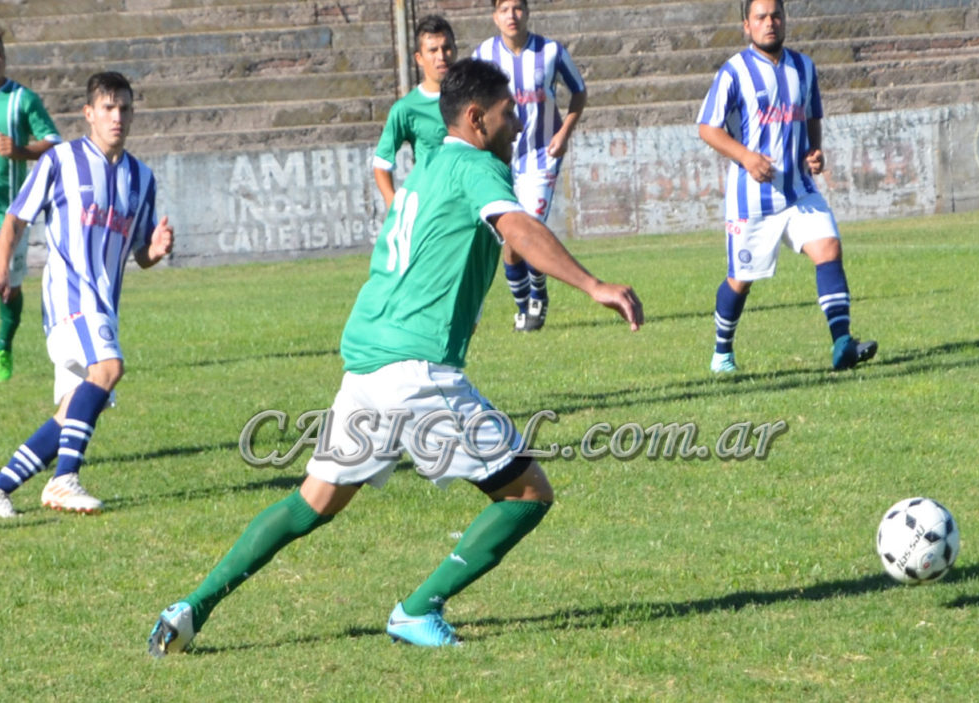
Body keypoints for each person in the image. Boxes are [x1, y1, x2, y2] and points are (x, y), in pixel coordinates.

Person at [148, 58, 641, 654]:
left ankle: (189, 609)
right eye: (509, 113)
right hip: (415, 369)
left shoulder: (429, 165)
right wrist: (593, 285)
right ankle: (416, 610)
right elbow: (517, 228)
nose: (517, 124)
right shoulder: (476, 166)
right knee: (528, 493)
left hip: (367, 360)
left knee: (313, 502)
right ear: (476, 118)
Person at [0, 72, 174, 518]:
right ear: (89, 113)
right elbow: (15, 218)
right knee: (109, 369)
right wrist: (0, 273)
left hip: (103, 305)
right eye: (108, 108)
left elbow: (140, 254)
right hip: (69, 297)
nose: (117, 116)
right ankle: (64, 480)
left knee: (74, 410)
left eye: (124, 108)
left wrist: (156, 250)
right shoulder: (61, 161)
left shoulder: (142, 178)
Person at [697, 0, 876, 373]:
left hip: (799, 191)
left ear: (785, 20)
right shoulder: (734, 72)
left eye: (776, 16)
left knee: (828, 248)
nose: (770, 23)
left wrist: (815, 151)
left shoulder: (804, 67)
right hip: (753, 198)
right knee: (741, 280)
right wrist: (747, 157)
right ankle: (722, 353)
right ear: (747, 25)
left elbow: (811, 116)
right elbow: (708, 128)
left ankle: (842, 343)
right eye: (761, 17)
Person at [473, 0, 587, 332]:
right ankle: (525, 306)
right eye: (504, 9)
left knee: (530, 227)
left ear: (528, 12)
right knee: (510, 238)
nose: (512, 15)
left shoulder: (551, 51)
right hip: (500, 158)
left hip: (541, 156)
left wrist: (564, 133)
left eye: (518, 7)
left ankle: (536, 299)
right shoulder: (483, 55)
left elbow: (579, 92)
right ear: (495, 16)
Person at [0, 23, 61, 383]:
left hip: (10, 216)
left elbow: (54, 143)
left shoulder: (21, 100)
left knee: (10, 289)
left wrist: (21, 151)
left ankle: (3, 346)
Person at [372, 15, 457, 210]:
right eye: (433, 50)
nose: (441, 56)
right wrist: (394, 207)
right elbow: (381, 163)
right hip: (433, 208)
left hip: (471, 205)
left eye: (446, 48)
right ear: (419, 58)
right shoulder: (407, 108)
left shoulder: (472, 98)